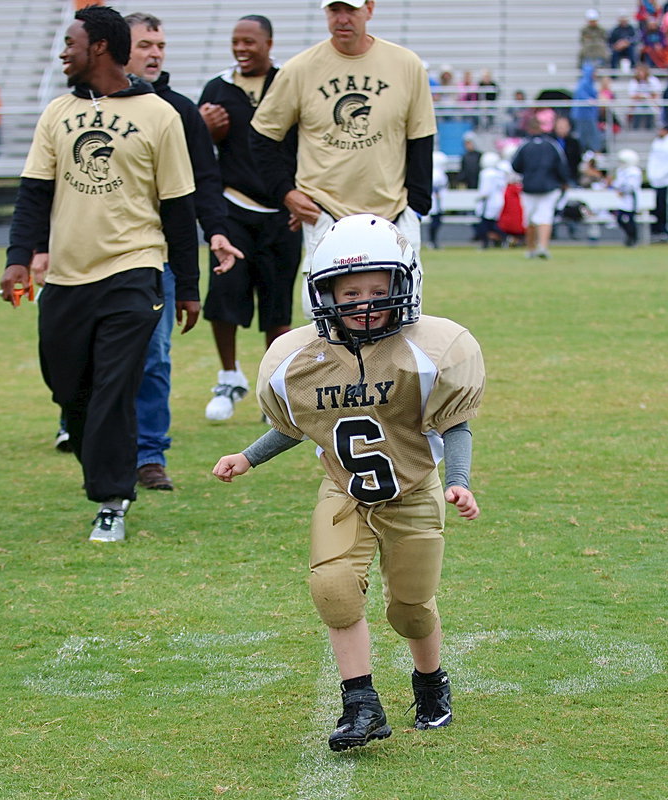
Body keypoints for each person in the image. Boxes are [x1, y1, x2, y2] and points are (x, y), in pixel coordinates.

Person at [212, 213, 485, 751]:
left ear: (404, 286)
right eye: (350, 291)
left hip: (412, 491)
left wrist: (460, 480)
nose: (363, 304)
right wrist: (248, 456)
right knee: (333, 589)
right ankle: (360, 704)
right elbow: (296, 425)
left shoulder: (428, 351)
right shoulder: (300, 359)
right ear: (324, 294)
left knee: (410, 608)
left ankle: (431, 681)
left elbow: (456, 425)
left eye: (377, 291)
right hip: (344, 492)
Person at [0, 5, 197, 542]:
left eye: (71, 42)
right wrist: (19, 257)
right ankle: (104, 473)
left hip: (133, 270)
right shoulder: (55, 112)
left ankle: (112, 499)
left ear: (100, 48)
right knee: (69, 386)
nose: (63, 51)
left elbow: (179, 207)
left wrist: (190, 285)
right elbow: (33, 196)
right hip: (65, 278)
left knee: (115, 386)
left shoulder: (160, 115)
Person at [250, 0, 437, 318]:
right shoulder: (300, 69)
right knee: (323, 320)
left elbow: (421, 138)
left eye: (350, 9)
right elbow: (262, 138)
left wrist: (416, 206)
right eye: (334, 10)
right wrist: (286, 192)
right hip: (325, 213)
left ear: (369, 9)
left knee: (403, 315)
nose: (342, 19)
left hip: (393, 211)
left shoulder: (405, 64)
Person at [120, 11, 241, 489]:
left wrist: (216, 230)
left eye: (161, 45)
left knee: (154, 355)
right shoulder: (85, 107)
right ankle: (86, 429)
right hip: (91, 255)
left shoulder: (180, 110)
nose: (155, 53)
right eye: (145, 44)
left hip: (161, 255)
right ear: (115, 47)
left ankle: (149, 456)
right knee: (86, 356)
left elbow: (203, 181)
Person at [198, 14, 300, 425]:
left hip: (282, 211)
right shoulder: (218, 89)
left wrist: (300, 199)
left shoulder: (289, 83)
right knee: (225, 296)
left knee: (277, 309)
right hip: (233, 209)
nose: (241, 48)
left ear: (269, 43)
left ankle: (272, 389)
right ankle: (229, 377)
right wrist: (204, 131)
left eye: (249, 41)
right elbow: (196, 150)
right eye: (235, 41)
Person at [511, 117, 570, 259]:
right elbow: (561, 166)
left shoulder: (524, 145)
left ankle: (531, 248)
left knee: (530, 219)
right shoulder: (552, 145)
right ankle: (542, 246)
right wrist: (564, 181)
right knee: (545, 217)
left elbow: (515, 166)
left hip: (530, 187)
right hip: (549, 186)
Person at [611, 148, 643, 247]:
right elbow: (617, 183)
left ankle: (633, 238)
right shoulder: (621, 170)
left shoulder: (634, 171)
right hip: (622, 200)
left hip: (631, 199)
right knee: (620, 219)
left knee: (630, 220)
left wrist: (622, 190)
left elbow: (631, 186)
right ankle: (630, 236)